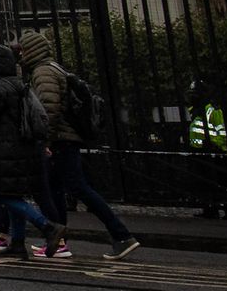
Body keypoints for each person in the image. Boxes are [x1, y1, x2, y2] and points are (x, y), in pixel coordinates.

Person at [17, 31, 139, 260]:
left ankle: (121, 235)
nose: (20, 54)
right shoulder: (53, 68)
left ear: (31, 49)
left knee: (78, 188)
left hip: (61, 140)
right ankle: (59, 241)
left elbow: (47, 110)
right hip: (65, 138)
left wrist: (46, 141)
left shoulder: (43, 72)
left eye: (22, 49)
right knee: (56, 190)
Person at [0, 44, 66, 260]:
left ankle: (47, 226)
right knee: (12, 193)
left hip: (3, 148)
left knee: (3, 195)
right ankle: (18, 242)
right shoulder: (18, 84)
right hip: (23, 147)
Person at [188, 80, 227, 219]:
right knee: (205, 183)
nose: (192, 96)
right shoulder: (196, 110)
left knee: (221, 183)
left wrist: (219, 147)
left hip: (214, 152)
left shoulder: (211, 109)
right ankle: (210, 208)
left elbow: (221, 130)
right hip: (200, 151)